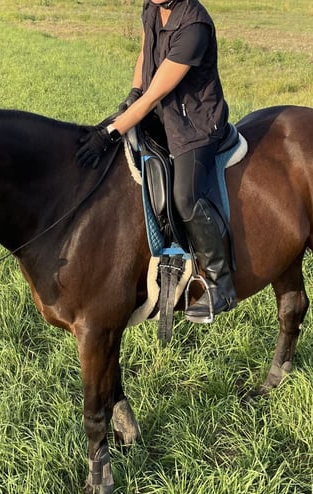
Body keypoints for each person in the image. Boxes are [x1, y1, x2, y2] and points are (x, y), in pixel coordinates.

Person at [75, 0, 237, 324]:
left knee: (185, 197)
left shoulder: (194, 26)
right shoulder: (152, 8)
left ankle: (222, 285)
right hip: (163, 115)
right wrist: (134, 92)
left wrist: (110, 131)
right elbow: (146, 50)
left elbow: (155, 95)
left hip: (196, 126)